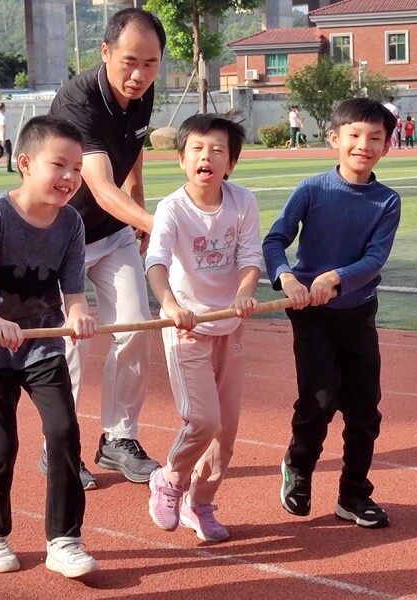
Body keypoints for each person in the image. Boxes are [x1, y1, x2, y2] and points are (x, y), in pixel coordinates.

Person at [0, 115, 100, 578]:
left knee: (64, 433)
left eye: (77, 167)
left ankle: (64, 540)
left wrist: (78, 314)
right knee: (3, 443)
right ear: (26, 163)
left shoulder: (71, 222)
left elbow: (72, 293)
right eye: (59, 165)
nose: (70, 177)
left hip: (41, 345)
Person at [262, 97, 401, 529]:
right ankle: (299, 466)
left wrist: (336, 277)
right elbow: (274, 242)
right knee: (319, 401)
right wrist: (287, 278)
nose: (364, 145)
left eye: (375, 138)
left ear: (387, 146)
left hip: (357, 313)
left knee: (364, 409)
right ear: (335, 139)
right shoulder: (311, 189)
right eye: (355, 136)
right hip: (310, 314)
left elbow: (375, 259)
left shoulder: (387, 201)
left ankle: (353, 495)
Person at [46, 8, 166, 488]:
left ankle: (118, 440)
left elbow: (132, 161)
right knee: (70, 344)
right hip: (62, 235)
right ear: (105, 53)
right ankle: (61, 446)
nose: (139, 75)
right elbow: (96, 185)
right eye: (130, 62)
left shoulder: (144, 91)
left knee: (135, 327)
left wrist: (138, 218)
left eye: (151, 63)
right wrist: (157, 224)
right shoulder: (78, 103)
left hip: (113, 233)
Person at [144, 113, 262, 542]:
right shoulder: (172, 207)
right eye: (196, 148)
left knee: (226, 431)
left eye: (217, 150)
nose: (206, 156)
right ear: (181, 159)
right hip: (187, 327)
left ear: (230, 163)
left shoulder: (242, 201)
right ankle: (170, 480)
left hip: (228, 327)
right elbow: (155, 262)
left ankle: (200, 503)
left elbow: (250, 258)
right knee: (203, 420)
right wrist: (171, 306)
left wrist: (245, 292)